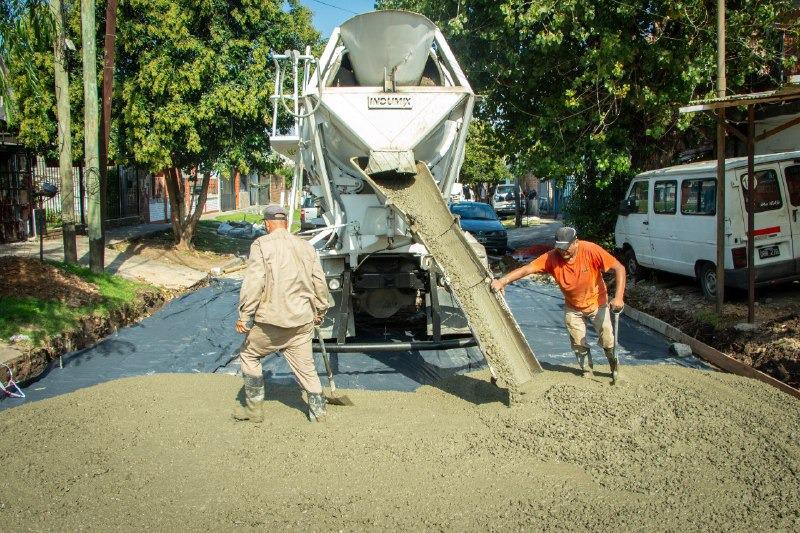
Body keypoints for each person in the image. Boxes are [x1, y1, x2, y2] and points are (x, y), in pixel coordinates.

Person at [490, 227, 626, 384]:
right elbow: (527, 269)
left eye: (566, 248)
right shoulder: (551, 257)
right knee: (577, 342)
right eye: (560, 248)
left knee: (608, 339)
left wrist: (618, 298)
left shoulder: (590, 250)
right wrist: (502, 281)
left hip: (597, 303)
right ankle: (586, 369)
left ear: (576, 242)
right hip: (573, 307)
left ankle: (613, 366)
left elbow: (619, 268)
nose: (563, 252)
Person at [234, 204, 331, 422]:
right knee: (306, 369)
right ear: (286, 223)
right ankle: (319, 414)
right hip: (301, 321)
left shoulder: (261, 245)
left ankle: (254, 410)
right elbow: (319, 282)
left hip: (272, 321)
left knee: (249, 355)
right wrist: (321, 309)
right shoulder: (306, 246)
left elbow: (254, 282)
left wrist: (244, 315)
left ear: (267, 224)